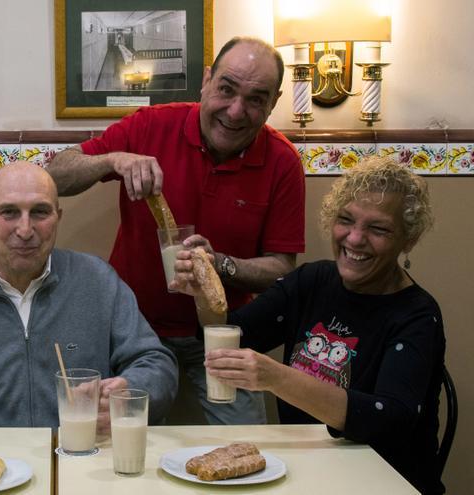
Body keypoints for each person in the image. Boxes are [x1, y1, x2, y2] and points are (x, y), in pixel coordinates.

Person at [48, 36, 305, 425]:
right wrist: (112, 160)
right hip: (135, 329)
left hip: (222, 333)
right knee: (110, 433)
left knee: (247, 443)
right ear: (206, 80)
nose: (236, 111)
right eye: (226, 89)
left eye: (256, 99)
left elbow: (282, 269)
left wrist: (218, 264)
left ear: (274, 102)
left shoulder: (283, 161)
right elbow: (55, 176)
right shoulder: (151, 125)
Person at [174, 157, 445, 494]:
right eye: (346, 220)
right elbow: (232, 334)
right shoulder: (313, 280)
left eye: (378, 229)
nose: (355, 238)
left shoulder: (417, 315)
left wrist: (276, 377)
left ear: (408, 240)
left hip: (385, 479)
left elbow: (387, 421)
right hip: (309, 470)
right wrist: (203, 291)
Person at [0, 162, 178, 431]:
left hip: (80, 460)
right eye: (9, 212)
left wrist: (128, 392)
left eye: (40, 212)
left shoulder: (98, 281)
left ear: (58, 217)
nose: (25, 230)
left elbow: (157, 366)